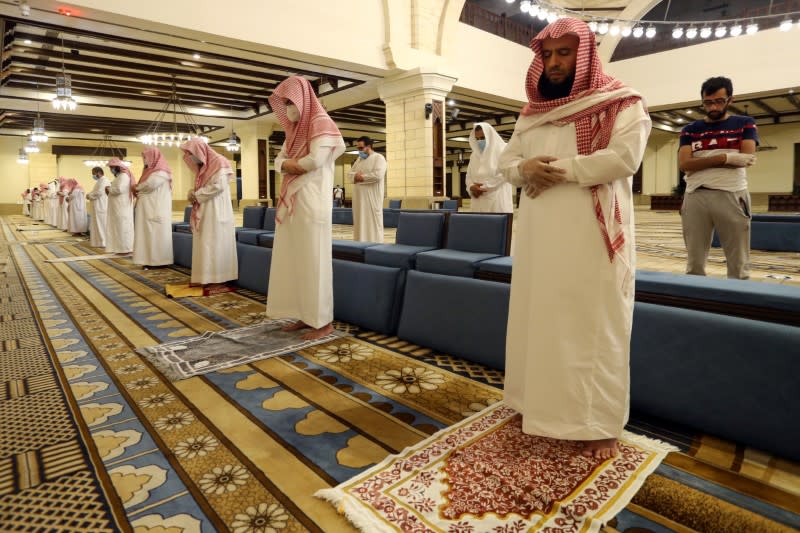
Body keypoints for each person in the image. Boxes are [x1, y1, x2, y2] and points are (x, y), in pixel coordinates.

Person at [498, 18, 651, 460]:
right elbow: (508, 163)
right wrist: (525, 169)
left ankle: (597, 422)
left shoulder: (622, 103)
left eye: (564, 53)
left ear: (584, 55)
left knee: (593, 324)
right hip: (540, 236)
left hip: (591, 236)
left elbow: (623, 159)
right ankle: (535, 405)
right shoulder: (532, 114)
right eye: (548, 55)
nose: (554, 62)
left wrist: (558, 170)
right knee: (539, 318)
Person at [266, 76, 345, 340]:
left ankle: (323, 322)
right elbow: (279, 161)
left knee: (314, 260)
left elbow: (312, 162)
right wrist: (288, 163)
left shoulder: (321, 124)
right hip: (292, 205)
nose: (288, 107)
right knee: (295, 259)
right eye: (285, 103)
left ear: (303, 98)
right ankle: (304, 314)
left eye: (291, 101)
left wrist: (287, 164)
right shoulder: (294, 132)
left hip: (312, 202)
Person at [678, 76, 758, 280]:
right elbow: (684, 165)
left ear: (730, 100)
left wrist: (701, 162)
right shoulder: (690, 130)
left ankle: (738, 305)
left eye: (719, 101)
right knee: (694, 262)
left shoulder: (745, 123)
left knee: (738, 262)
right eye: (708, 102)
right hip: (696, 195)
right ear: (703, 101)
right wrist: (725, 157)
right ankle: (696, 306)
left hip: (732, 194)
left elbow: (746, 158)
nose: (713, 106)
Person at [180, 138, 238, 288]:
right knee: (205, 244)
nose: (191, 157)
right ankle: (204, 277)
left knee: (216, 244)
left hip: (217, 211)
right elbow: (202, 186)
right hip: (205, 210)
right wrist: (192, 193)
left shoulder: (220, 162)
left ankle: (219, 279)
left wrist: (197, 195)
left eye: (191, 153)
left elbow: (218, 186)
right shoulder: (203, 167)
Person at [133, 147, 174, 268]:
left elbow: (149, 185)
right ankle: (148, 260)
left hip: (155, 210)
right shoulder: (149, 172)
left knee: (156, 235)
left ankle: (159, 261)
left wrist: (137, 188)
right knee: (147, 235)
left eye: (145, 157)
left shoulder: (161, 172)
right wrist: (139, 188)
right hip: (148, 209)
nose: (144, 160)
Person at [466, 123, 514, 213]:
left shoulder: (503, 150)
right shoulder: (474, 155)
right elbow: (468, 176)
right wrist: (471, 187)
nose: (480, 141)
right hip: (477, 201)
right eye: (477, 139)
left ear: (490, 136)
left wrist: (483, 187)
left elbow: (503, 174)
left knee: (496, 225)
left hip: (497, 201)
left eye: (483, 138)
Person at [349, 136, 387, 242]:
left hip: (371, 200)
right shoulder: (359, 160)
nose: (359, 151)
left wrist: (362, 177)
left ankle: (375, 247)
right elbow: (349, 174)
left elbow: (378, 175)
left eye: (361, 148)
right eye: (358, 148)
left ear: (369, 146)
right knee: (360, 223)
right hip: (359, 200)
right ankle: (358, 247)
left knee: (372, 224)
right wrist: (355, 176)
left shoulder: (379, 158)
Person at [105, 159, 135, 255]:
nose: (111, 169)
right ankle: (120, 248)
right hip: (118, 207)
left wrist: (109, 189)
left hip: (122, 207)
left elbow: (119, 189)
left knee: (123, 228)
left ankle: (125, 249)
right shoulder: (120, 177)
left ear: (117, 167)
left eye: (112, 167)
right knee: (118, 228)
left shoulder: (124, 176)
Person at [86, 167, 110, 248]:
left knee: (102, 225)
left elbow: (99, 192)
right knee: (97, 225)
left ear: (99, 172)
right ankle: (98, 242)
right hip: (97, 206)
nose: (93, 175)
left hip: (101, 206)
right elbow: (95, 191)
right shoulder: (100, 181)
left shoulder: (104, 180)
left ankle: (103, 242)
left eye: (93, 173)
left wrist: (89, 195)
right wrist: (89, 194)